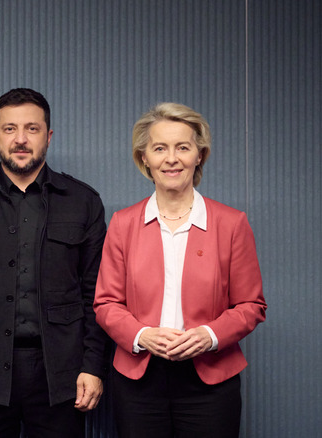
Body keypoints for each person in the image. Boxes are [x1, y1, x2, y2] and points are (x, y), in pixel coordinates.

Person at [0, 88, 108, 437]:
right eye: (10, 129)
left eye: (32, 128)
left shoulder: (83, 202)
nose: (21, 139)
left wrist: (93, 366)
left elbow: (97, 293)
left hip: (62, 375)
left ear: (49, 136)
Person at [94, 102, 267, 438]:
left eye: (183, 148)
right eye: (160, 148)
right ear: (144, 157)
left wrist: (209, 335)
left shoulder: (232, 224)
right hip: (138, 382)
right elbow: (106, 304)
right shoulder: (122, 224)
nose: (171, 159)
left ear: (199, 155)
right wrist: (142, 335)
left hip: (211, 382)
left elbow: (252, 305)